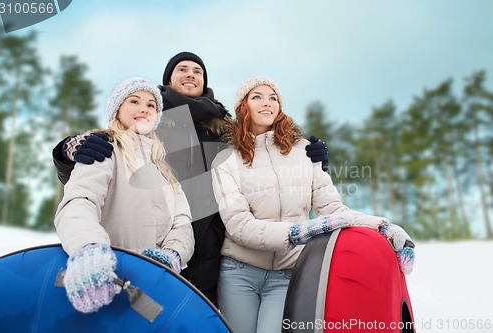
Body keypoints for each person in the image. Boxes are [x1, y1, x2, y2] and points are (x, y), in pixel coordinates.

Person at [51, 52, 329, 306]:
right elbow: (90, 182)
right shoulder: (152, 122)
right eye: (182, 69)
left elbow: (264, 157)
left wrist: (308, 156)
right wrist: (67, 150)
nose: (190, 74)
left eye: (197, 71)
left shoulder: (227, 129)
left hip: (213, 244)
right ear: (168, 80)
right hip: (152, 241)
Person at [210, 77, 415, 333]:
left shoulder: (304, 151)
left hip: (287, 273)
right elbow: (238, 224)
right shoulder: (225, 160)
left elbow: (332, 209)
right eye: (257, 97)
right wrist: (294, 233)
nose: (267, 103)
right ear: (243, 106)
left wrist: (382, 227)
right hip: (238, 272)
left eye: (273, 97)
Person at [54, 77, 195, 314]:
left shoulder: (165, 170)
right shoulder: (103, 150)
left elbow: (182, 222)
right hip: (103, 278)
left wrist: (172, 254)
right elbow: (79, 201)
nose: (144, 109)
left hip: (150, 290)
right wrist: (88, 248)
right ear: (117, 110)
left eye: (151, 105)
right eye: (134, 101)